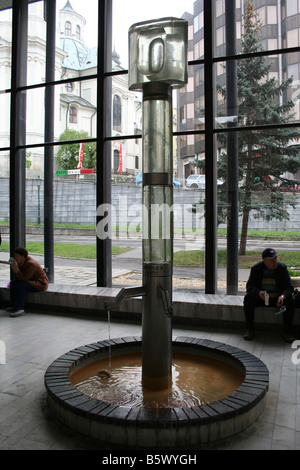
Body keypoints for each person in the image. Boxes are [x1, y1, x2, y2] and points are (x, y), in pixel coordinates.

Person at [243, 248, 295, 343]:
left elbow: (289, 287)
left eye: (276, 258)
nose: (275, 262)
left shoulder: (282, 268)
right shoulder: (256, 268)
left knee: (290, 300)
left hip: (277, 298)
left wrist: (283, 296)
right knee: (248, 299)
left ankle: (287, 331)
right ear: (264, 261)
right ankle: (249, 329)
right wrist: (259, 292)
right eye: (271, 260)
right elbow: (249, 287)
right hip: (262, 298)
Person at [7, 247, 49, 317]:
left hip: (40, 283)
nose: (15, 258)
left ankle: (20, 309)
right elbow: (21, 277)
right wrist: (15, 269)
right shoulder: (22, 262)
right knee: (13, 283)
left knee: (20, 285)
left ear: (22, 256)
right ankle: (14, 305)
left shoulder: (31, 263)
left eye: (16, 256)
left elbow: (24, 279)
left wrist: (16, 270)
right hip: (30, 281)